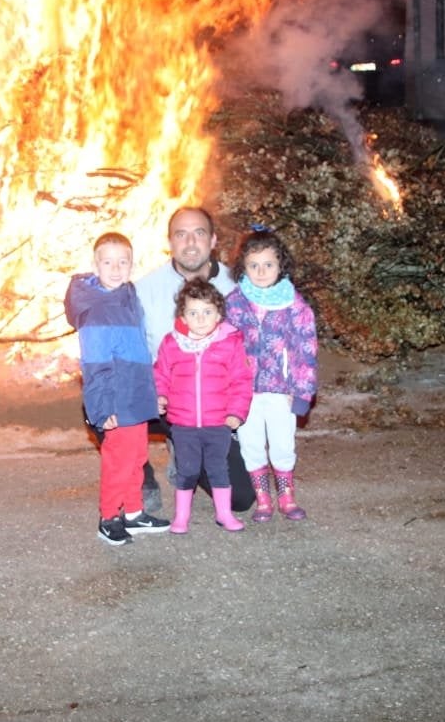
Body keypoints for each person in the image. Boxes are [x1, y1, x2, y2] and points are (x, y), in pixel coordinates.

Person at [135, 206, 255, 514]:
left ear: (213, 240)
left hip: (216, 409)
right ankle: (141, 472)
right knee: (103, 398)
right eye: (181, 234)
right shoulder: (145, 290)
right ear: (170, 242)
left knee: (241, 498)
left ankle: (186, 453)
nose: (190, 242)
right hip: (165, 399)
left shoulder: (239, 287)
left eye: (199, 233)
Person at [64, 232, 171, 545]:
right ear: (95, 264)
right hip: (115, 399)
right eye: (107, 261)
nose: (115, 267)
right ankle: (109, 516)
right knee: (118, 461)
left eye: (122, 261)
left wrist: (151, 392)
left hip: (135, 393)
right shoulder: (97, 309)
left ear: (131, 264)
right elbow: (94, 365)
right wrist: (101, 409)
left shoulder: (127, 296)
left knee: (137, 457)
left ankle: (134, 513)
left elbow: (139, 349)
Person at [223, 229, 317, 523]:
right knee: (251, 444)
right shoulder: (234, 302)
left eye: (268, 265)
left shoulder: (294, 304)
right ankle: (263, 498)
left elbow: (305, 349)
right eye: (253, 265)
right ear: (243, 267)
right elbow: (224, 346)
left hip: (281, 390)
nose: (261, 272)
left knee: (282, 444)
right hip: (245, 392)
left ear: (281, 266)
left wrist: (303, 393)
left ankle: (286, 496)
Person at [152, 279, 253, 534]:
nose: (200, 318)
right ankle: (181, 516)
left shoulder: (229, 343)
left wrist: (236, 412)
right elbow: (160, 374)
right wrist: (160, 396)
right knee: (187, 471)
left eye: (207, 312)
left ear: (218, 314)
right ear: (183, 317)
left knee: (219, 469)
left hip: (218, 423)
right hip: (184, 425)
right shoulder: (171, 344)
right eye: (193, 312)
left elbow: (241, 380)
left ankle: (224, 514)